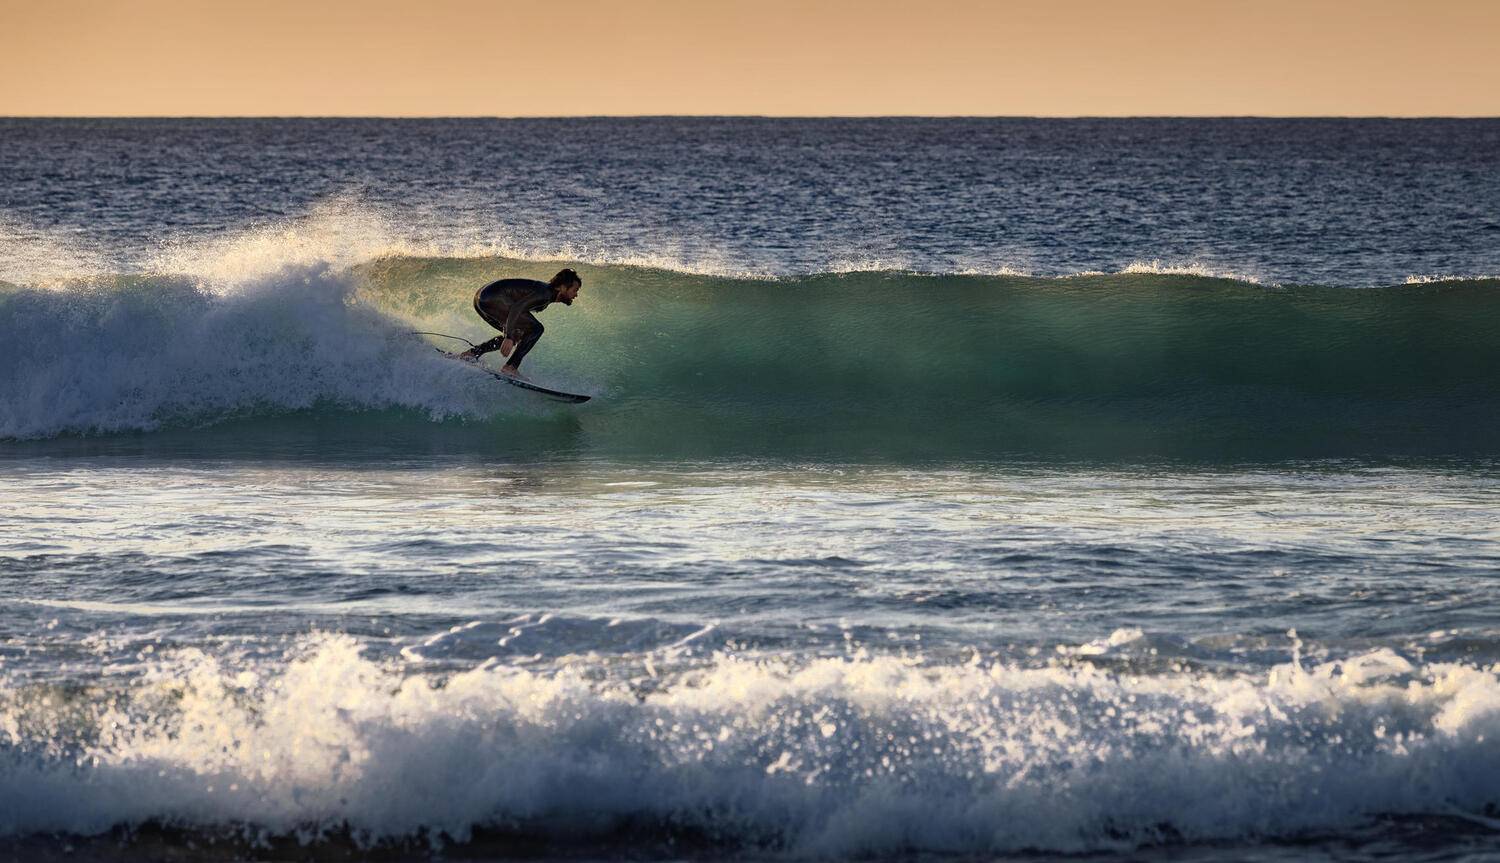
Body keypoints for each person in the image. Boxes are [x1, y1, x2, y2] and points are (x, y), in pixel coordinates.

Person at [459, 268, 582, 376]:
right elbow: (517, 308)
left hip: (481, 299)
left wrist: (511, 336)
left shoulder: (545, 292)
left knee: (517, 334)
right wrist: (508, 336)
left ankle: (472, 354)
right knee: (537, 329)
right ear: (563, 287)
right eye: (574, 290)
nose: (576, 295)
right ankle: (511, 367)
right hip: (492, 298)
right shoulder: (545, 293)